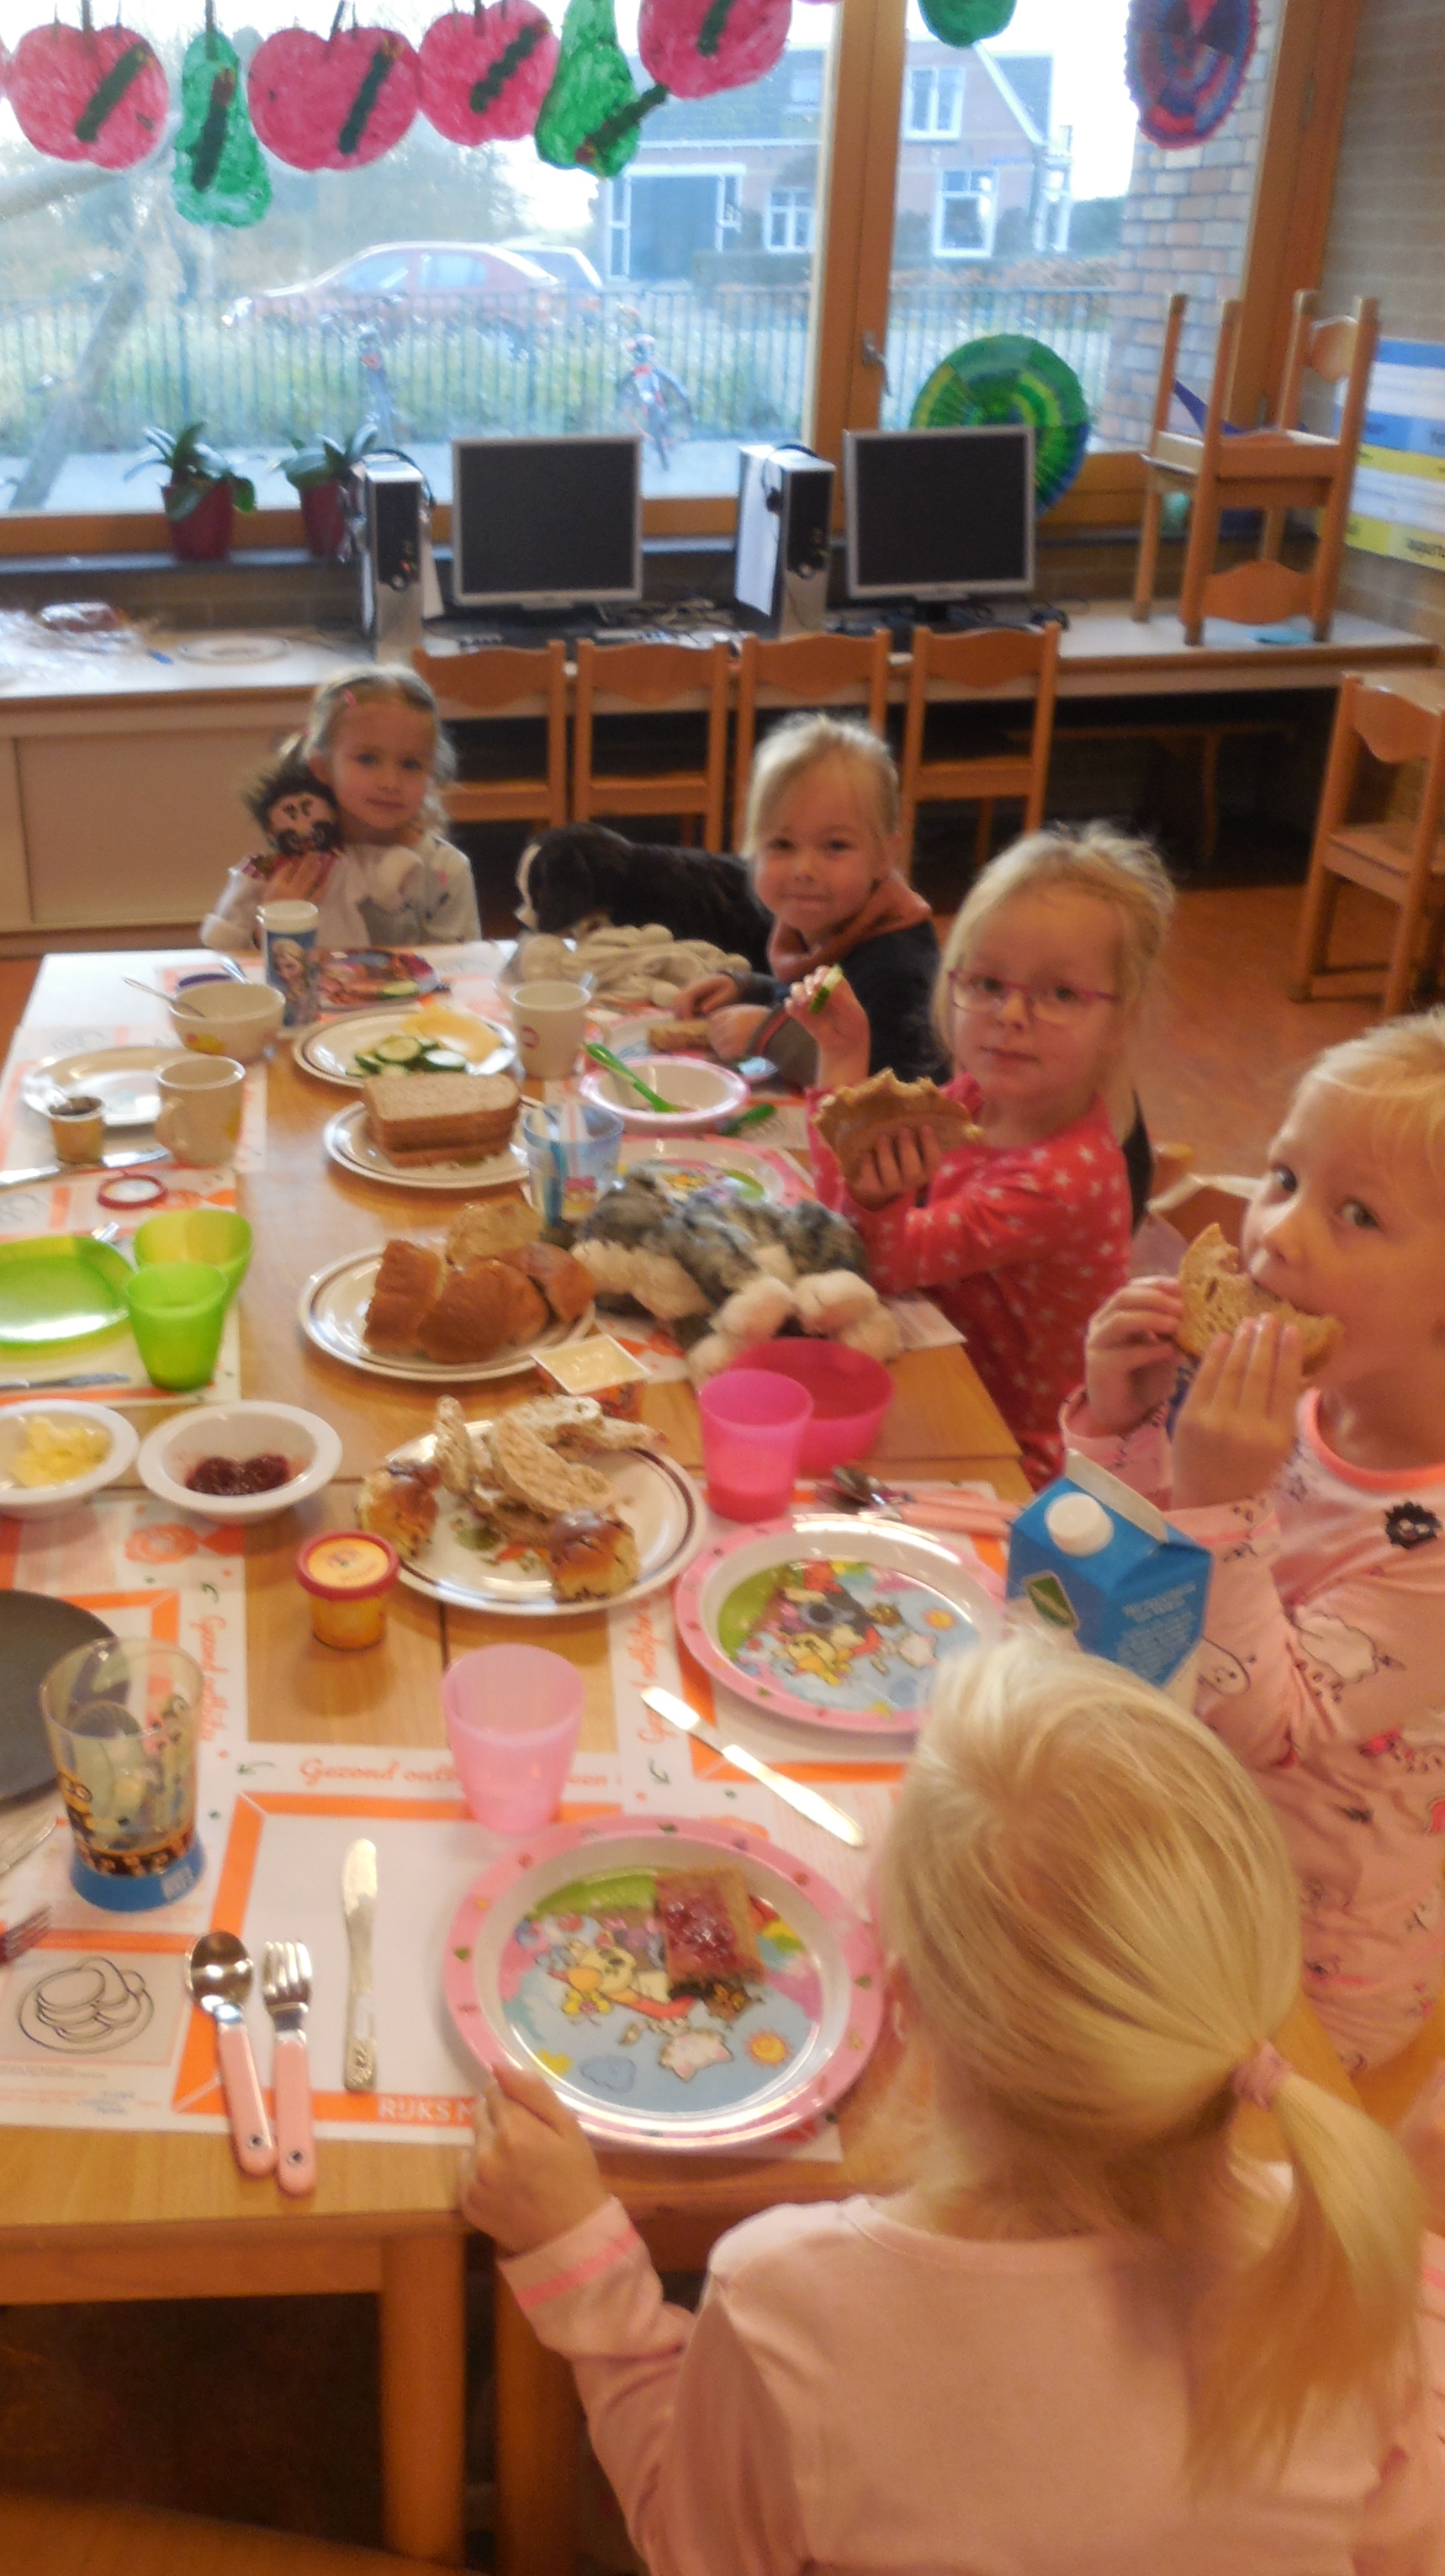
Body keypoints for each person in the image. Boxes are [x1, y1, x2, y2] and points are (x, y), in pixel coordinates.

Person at [461, 1633, 1442, 2575]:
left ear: (906, 2008)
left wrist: (593, 2283)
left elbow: (696, 2554)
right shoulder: (1360, 2272)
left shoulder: (787, 2308)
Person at [1072, 1008, 1445, 2075]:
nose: (1275, 1232)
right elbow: (1128, 1606)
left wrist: (1219, 1505)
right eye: (1283, 1178)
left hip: (1302, 1971)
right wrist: (1121, 1429)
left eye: (1357, 1213)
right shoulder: (1301, 1398)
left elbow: (1261, 1728)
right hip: (1180, 1845)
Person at [802, 824, 1174, 1483]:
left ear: (1120, 1021)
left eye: (1060, 994)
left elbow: (875, 1264)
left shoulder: (1060, 1181)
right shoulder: (973, 1099)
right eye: (987, 983)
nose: (1011, 1014)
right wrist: (842, 1066)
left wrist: (873, 1182)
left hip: (1010, 1459)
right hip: (940, 1379)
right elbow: (844, 1229)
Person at [670, 714, 945, 1083]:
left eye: (835, 846)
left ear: (885, 856)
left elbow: (886, 1079)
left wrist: (769, 1036)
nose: (804, 869)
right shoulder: (822, 926)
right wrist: (751, 989)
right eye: (782, 844)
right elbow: (815, 1000)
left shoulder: (897, 967)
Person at [199, 666, 478, 956]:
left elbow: (462, 972)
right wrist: (271, 922)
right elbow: (234, 966)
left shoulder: (445, 871)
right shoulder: (297, 858)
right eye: (367, 759)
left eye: (410, 764)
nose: (390, 782)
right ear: (322, 767)